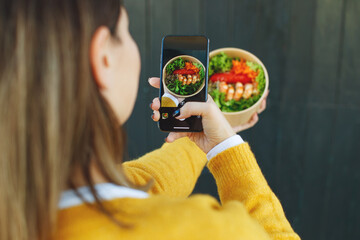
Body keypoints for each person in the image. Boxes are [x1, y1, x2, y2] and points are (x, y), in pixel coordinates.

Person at [0, 0, 300, 239]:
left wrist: (204, 139)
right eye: (126, 31)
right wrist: (227, 150)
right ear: (103, 56)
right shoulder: (208, 231)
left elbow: (143, 182)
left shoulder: (23, 208)